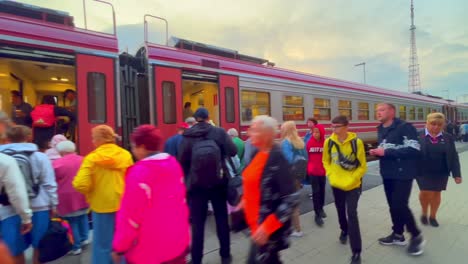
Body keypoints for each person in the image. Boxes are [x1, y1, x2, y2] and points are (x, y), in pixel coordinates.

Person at [112, 125, 189, 264]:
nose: (133, 150)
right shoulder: (173, 164)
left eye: (134, 146)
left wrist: (119, 247)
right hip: (177, 243)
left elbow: (130, 216)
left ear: (142, 146)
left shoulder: (139, 173)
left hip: (149, 251)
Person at [178, 107, 237, 264]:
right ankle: (225, 255)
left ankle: (197, 259)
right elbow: (233, 151)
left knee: (198, 224)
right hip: (218, 183)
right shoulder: (219, 132)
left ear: (195, 118)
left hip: (197, 187)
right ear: (208, 117)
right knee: (221, 220)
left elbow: (181, 162)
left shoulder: (187, 135)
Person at [240, 115, 298, 264]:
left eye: (254, 130)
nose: (248, 133)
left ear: (266, 134)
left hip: (267, 233)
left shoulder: (277, 159)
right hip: (256, 228)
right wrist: (243, 201)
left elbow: (291, 198)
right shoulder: (256, 153)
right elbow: (253, 183)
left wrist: (267, 227)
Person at [370, 103, 425, 256]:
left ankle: (416, 236)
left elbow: (414, 149)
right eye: (377, 111)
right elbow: (387, 148)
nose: (378, 113)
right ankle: (398, 234)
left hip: (403, 173)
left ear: (392, 112)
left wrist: (386, 152)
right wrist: (377, 152)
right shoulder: (380, 128)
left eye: (382, 110)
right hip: (387, 173)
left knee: (400, 205)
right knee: (393, 206)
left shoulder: (405, 127)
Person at [73, 125, 133, 264]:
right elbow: (132, 179)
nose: (93, 141)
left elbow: (80, 183)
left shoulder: (92, 158)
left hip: (101, 206)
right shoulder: (125, 155)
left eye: (94, 138)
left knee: (102, 245)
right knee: (123, 242)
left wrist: (91, 192)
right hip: (123, 204)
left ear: (99, 140)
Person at [0, 125, 58, 264]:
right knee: (39, 246)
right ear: (29, 137)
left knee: (14, 249)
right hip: (40, 206)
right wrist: (54, 204)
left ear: (7, 139)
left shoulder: (3, 158)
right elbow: (49, 183)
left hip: (9, 209)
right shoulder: (40, 156)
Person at [323, 116, 367, 264]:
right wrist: (330, 174)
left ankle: (356, 252)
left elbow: (362, 166)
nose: (333, 129)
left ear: (346, 126)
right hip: (337, 185)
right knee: (340, 210)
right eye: (332, 126)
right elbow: (326, 161)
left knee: (352, 214)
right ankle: (344, 229)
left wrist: (354, 178)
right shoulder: (329, 142)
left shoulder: (357, 143)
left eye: (337, 126)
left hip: (353, 186)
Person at [416, 113, 462, 227]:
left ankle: (433, 216)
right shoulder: (417, 136)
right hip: (423, 171)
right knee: (425, 192)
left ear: (443, 125)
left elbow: (453, 156)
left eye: (439, 125)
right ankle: (424, 212)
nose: (436, 127)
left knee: (436, 193)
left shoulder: (447, 137)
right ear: (426, 123)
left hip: (442, 171)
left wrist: (457, 174)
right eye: (433, 124)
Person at [52, 140, 89, 255]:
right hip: (83, 193)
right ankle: (84, 238)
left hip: (66, 196)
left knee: (72, 221)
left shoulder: (57, 163)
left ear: (62, 151)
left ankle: (76, 246)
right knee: (83, 216)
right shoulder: (84, 160)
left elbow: (52, 180)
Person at [0, 151, 33, 264]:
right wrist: (26, 218)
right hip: (5, 215)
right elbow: (17, 193)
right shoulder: (5, 160)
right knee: (13, 253)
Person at [280, 121, 307, 237]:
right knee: (293, 201)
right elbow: (305, 158)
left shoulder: (286, 142)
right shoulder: (300, 141)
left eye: (282, 128)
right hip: (298, 176)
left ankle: (297, 230)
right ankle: (293, 227)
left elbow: (287, 160)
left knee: (290, 203)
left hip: (288, 177)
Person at [306, 124, 327, 226]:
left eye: (317, 132)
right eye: (314, 132)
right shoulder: (309, 143)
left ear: (322, 132)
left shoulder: (325, 143)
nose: (315, 134)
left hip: (322, 172)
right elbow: (307, 157)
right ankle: (317, 214)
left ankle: (321, 208)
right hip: (313, 172)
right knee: (316, 192)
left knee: (322, 190)